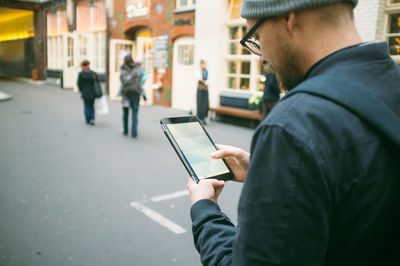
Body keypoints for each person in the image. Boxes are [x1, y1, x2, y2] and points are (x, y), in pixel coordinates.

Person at [187, 0, 400, 265]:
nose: (261, 57)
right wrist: (264, 168)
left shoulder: (294, 125)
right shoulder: (391, 82)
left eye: (256, 37)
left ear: (289, 18)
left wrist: (204, 210)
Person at [120, 55, 143, 138]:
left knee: (125, 114)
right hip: (135, 94)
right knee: (134, 114)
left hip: (126, 95)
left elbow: (123, 81)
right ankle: (134, 134)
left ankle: (125, 130)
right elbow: (140, 80)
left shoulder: (123, 69)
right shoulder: (137, 69)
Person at [77, 60, 99, 125]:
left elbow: (78, 83)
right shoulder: (93, 73)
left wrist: (81, 90)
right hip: (92, 92)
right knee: (91, 105)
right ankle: (92, 118)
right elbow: (97, 83)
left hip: (85, 92)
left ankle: (87, 119)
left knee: (86, 106)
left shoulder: (81, 74)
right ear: (88, 65)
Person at [196, 60, 209, 125]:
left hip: (206, 90)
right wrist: (204, 81)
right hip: (200, 90)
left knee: (206, 104)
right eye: (202, 64)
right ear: (200, 65)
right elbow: (198, 78)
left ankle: (204, 118)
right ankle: (200, 118)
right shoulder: (198, 71)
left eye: (204, 64)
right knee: (200, 104)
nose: (203, 65)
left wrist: (204, 81)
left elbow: (209, 81)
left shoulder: (207, 71)